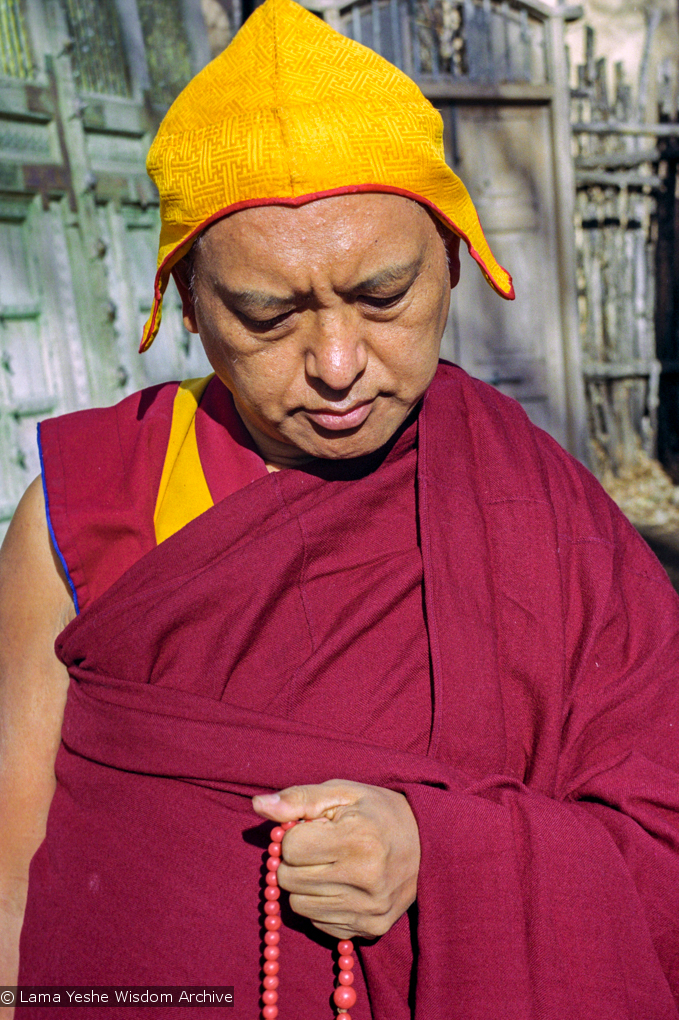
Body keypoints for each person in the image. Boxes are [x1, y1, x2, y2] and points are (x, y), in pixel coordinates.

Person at [2, 0, 679, 1017]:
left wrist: (439, 854)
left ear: (451, 260)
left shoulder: (540, 513)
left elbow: (661, 820)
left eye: (382, 296)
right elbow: (9, 866)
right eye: (266, 315)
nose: (334, 364)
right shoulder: (92, 503)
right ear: (185, 302)